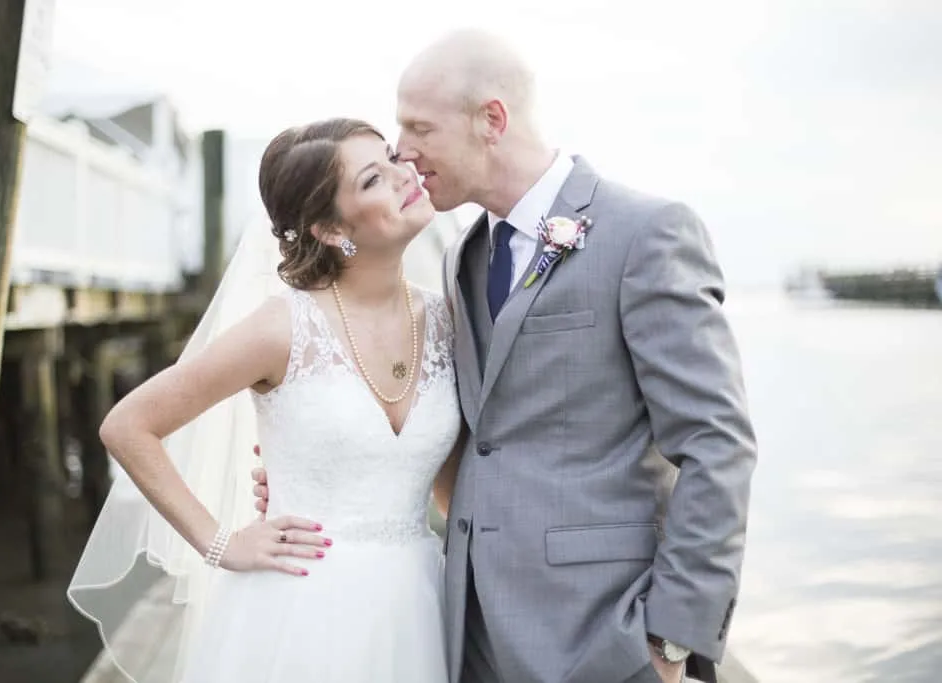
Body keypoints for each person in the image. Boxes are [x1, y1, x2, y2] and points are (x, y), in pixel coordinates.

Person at [254, 30, 757, 683]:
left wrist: (671, 639)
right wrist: (329, 464)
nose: (403, 151)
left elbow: (718, 444)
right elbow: (480, 433)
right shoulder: (465, 255)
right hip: (472, 631)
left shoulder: (646, 233)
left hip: (606, 636)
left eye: (418, 128)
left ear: (491, 120)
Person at [68, 118, 462, 683]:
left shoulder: (447, 319)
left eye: (396, 159)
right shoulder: (283, 328)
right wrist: (220, 543)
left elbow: (447, 486)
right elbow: (129, 425)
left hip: (418, 605)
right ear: (330, 229)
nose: (407, 176)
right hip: (299, 611)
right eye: (375, 178)